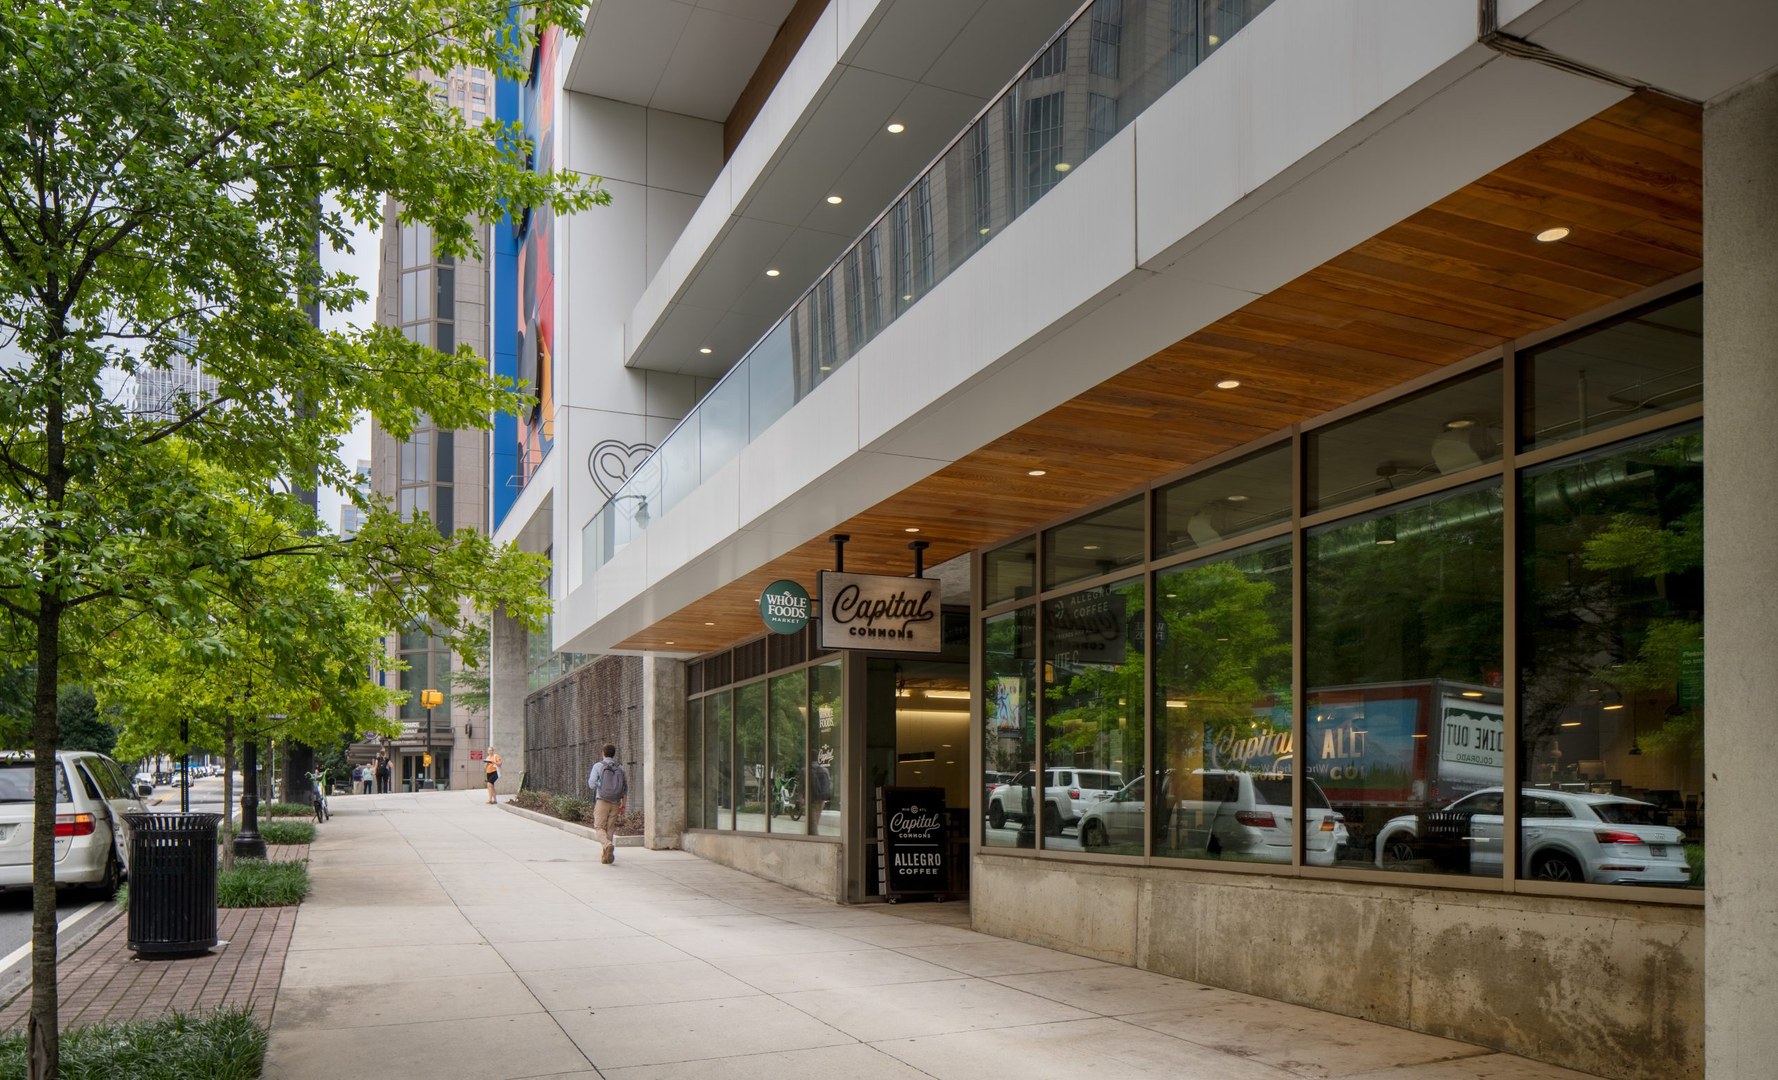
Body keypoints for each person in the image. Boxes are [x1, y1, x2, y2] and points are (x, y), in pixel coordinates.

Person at [587, 743, 627, 865]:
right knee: (610, 828)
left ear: (603, 753)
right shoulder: (620, 768)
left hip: (602, 800)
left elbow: (591, 784)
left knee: (599, 827)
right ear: (613, 754)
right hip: (615, 802)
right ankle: (606, 857)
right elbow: (625, 788)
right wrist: (623, 804)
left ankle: (607, 844)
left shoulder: (598, 766)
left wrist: (600, 784)